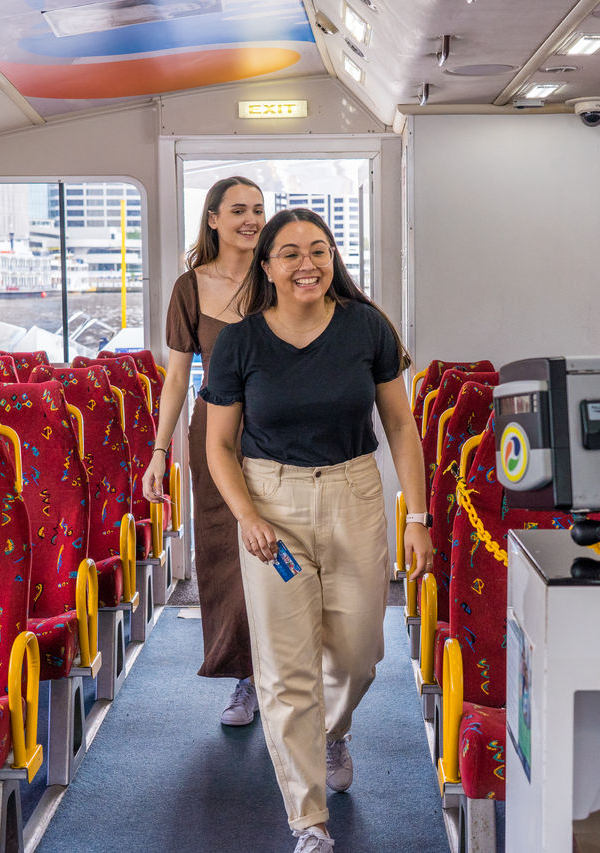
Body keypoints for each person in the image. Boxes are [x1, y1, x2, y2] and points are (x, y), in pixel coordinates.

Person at [202, 208, 434, 853]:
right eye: (291, 253)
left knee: (360, 653)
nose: (308, 263)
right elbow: (220, 445)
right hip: (271, 506)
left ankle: (333, 731)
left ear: (333, 259)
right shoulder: (239, 342)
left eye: (320, 250)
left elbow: (401, 426)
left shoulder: (368, 327)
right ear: (268, 267)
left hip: (355, 495)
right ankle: (308, 820)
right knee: (284, 672)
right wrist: (247, 515)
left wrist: (417, 516)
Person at [143, 176, 265, 726]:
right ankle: (244, 675)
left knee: (280, 543)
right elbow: (174, 379)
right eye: (238, 209)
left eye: (259, 210)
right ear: (213, 219)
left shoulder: (279, 274)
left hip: (277, 429)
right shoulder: (189, 287)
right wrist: (158, 451)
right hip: (212, 431)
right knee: (223, 553)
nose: (251, 219)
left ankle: (286, 667)